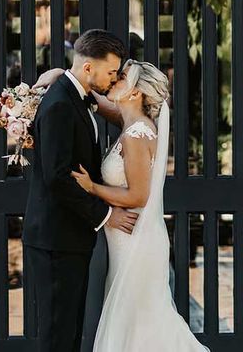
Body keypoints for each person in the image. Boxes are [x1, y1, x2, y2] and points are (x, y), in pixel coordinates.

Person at [37, 58, 210, 352]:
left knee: (142, 321)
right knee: (132, 320)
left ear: (134, 93)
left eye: (121, 78)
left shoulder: (136, 135)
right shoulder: (129, 121)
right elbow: (92, 98)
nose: (114, 79)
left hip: (137, 240)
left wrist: (93, 188)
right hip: (126, 240)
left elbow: (138, 196)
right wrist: (61, 75)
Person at [23, 29, 137, 352]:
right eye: (111, 71)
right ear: (88, 68)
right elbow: (57, 178)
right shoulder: (60, 104)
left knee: (69, 335)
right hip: (55, 242)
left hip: (69, 239)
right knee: (58, 338)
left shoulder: (76, 95)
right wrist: (105, 214)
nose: (113, 79)